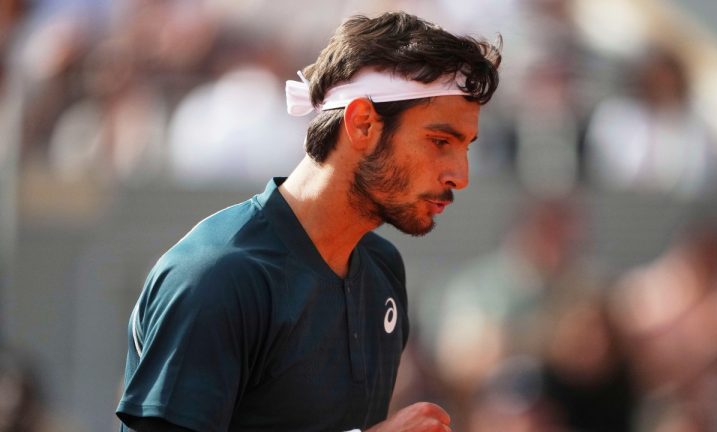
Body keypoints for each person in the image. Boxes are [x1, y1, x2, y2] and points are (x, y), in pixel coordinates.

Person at [115, 11, 501, 432]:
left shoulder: (382, 269)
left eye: (465, 147)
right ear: (362, 124)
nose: (459, 176)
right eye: (440, 141)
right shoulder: (217, 276)